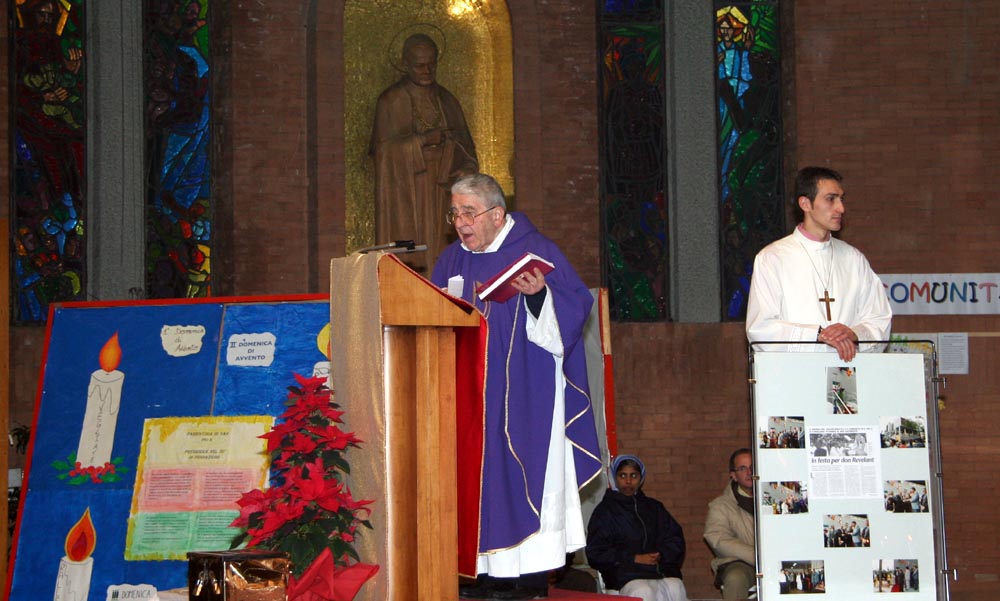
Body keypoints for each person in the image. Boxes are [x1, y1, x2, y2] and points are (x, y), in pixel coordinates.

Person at [432, 173, 601, 600]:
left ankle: (527, 581)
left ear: (497, 214)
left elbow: (574, 311)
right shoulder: (451, 261)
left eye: (469, 212)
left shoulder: (536, 251)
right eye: (455, 213)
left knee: (525, 479)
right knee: (474, 484)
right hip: (467, 403)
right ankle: (479, 577)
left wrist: (539, 296)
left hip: (527, 399)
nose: (460, 222)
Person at [745, 166, 892, 361]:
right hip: (794, 372)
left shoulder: (854, 259)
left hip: (848, 371)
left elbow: (879, 318)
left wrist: (853, 334)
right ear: (805, 203)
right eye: (831, 199)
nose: (841, 208)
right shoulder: (773, 258)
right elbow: (761, 329)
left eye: (841, 199)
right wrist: (817, 335)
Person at [370, 32, 478, 273]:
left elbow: (467, 150)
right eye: (420, 65)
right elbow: (382, 152)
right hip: (408, 193)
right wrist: (423, 141)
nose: (427, 71)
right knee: (414, 249)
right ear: (405, 64)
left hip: (443, 191)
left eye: (432, 64)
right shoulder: (391, 101)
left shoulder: (447, 101)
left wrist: (466, 169)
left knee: (443, 251)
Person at [586, 455, 688, 601]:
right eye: (622, 476)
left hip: (659, 571)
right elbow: (596, 552)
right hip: (624, 575)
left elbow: (675, 539)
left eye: (633, 476)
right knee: (642, 591)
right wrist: (635, 558)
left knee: (676, 586)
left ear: (641, 478)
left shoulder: (654, 508)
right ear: (613, 478)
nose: (628, 481)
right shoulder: (605, 512)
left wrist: (661, 555)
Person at [704, 448, 757, 600]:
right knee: (735, 577)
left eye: (752, 467)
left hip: (778, 559)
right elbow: (717, 538)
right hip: (741, 563)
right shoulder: (721, 506)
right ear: (733, 475)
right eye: (743, 468)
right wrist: (755, 556)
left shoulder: (777, 500)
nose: (749, 472)